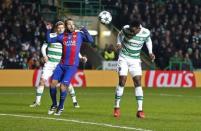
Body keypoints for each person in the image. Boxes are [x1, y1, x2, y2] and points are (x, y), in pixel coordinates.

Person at [30, 21, 87, 108]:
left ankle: (74, 101)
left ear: (64, 28)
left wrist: (81, 57)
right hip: (50, 63)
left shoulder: (67, 37)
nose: (60, 29)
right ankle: (37, 102)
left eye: (62, 28)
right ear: (56, 28)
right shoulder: (52, 36)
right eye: (59, 28)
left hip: (60, 63)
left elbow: (75, 51)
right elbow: (44, 46)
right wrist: (45, 56)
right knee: (42, 81)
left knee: (66, 84)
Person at [46, 18, 93, 115]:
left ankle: (60, 107)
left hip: (72, 66)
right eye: (69, 24)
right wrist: (48, 30)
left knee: (63, 86)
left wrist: (84, 30)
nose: (71, 26)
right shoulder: (62, 36)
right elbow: (49, 40)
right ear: (66, 26)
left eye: (72, 24)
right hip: (61, 65)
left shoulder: (79, 35)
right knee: (52, 84)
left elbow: (91, 40)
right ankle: (54, 104)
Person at [113, 20, 155, 118]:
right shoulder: (126, 29)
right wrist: (119, 43)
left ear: (138, 28)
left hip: (135, 60)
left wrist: (150, 52)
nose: (132, 32)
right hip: (123, 58)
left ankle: (140, 110)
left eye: (133, 31)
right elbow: (120, 34)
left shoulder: (146, 32)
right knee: (122, 81)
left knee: (138, 81)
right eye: (131, 30)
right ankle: (116, 107)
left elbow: (148, 40)